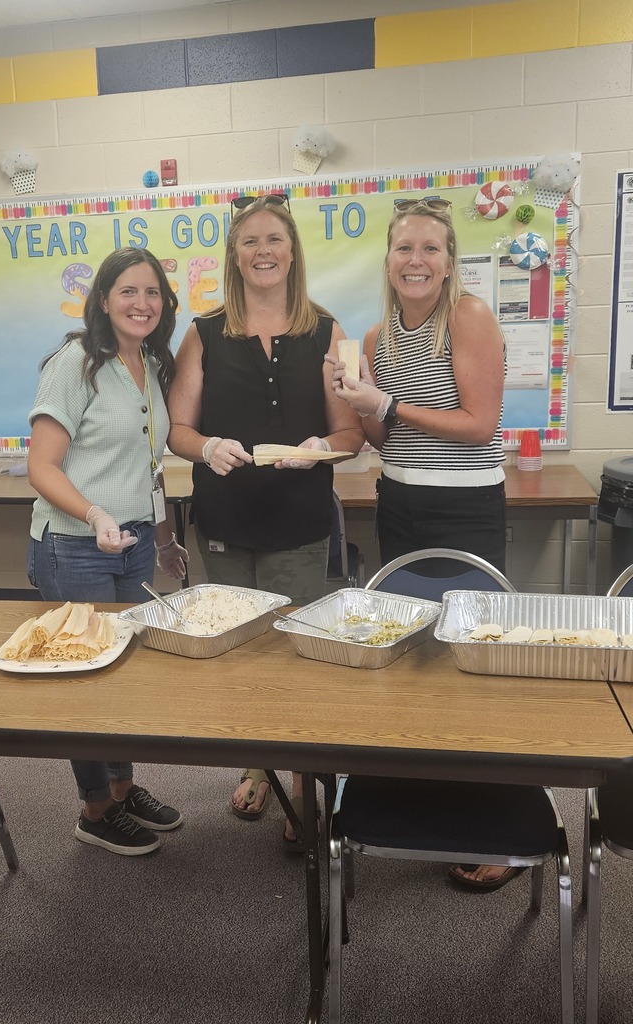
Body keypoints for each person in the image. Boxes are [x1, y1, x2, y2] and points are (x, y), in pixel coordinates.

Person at [167, 193, 364, 848]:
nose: (262, 251)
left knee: (298, 656)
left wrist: (320, 451)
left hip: (300, 522)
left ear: (292, 249)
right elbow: (178, 429)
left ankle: (306, 782)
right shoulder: (203, 332)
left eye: (274, 238)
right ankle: (258, 763)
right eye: (249, 240)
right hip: (224, 518)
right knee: (242, 654)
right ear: (233, 253)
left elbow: (350, 433)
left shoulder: (327, 331)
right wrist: (206, 448)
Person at [330, 196, 510, 889]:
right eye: (405, 248)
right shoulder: (375, 340)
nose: (417, 261)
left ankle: (490, 818)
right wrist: (355, 400)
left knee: (470, 659)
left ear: (450, 260)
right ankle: (422, 795)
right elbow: (382, 438)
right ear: (388, 258)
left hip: (464, 508)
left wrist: (389, 405)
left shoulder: (466, 317)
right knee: (410, 650)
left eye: (431, 248)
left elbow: (480, 423)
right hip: (398, 500)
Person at [27, 246, 188, 857]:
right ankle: (94, 809)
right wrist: (92, 513)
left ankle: (122, 789)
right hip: (76, 547)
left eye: (152, 293)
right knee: (86, 679)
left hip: (133, 541)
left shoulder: (150, 363)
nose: (142, 303)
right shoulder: (76, 363)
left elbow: (146, 468)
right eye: (128, 291)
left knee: (122, 671)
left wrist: (166, 539)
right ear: (102, 299)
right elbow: (40, 467)